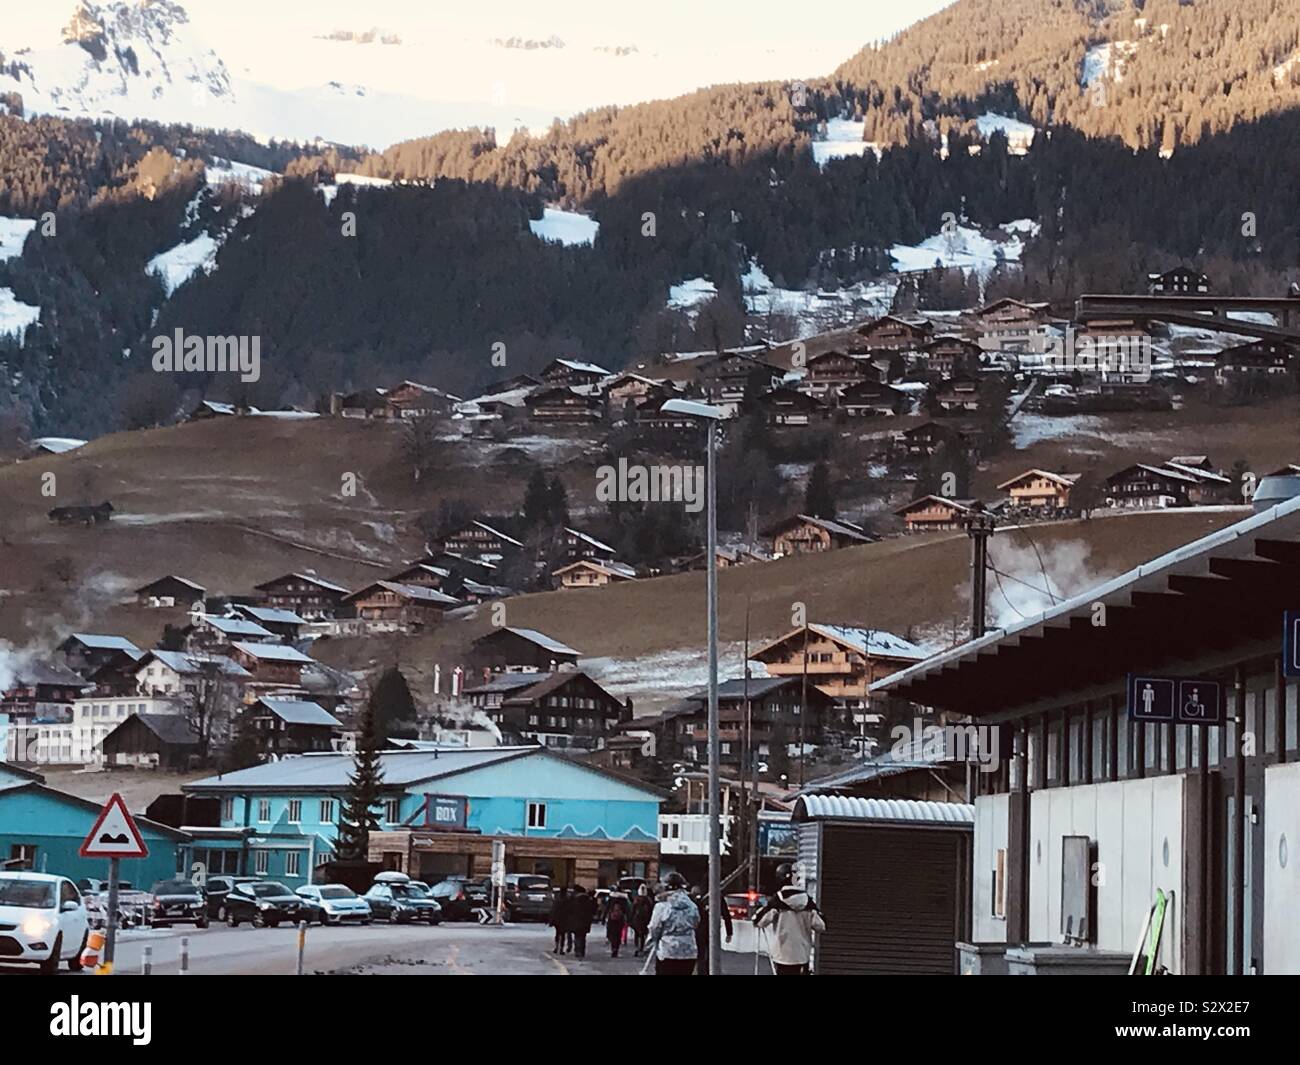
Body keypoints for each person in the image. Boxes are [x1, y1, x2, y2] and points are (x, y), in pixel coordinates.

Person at [753, 863, 826, 975]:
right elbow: (821, 926)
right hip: (802, 956)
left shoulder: (777, 900)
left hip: (783, 955)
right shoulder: (808, 902)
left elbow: (760, 922)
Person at [644, 872, 699, 975]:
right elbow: (696, 923)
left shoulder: (662, 906)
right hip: (689, 950)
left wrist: (651, 942)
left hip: (668, 950)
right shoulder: (692, 906)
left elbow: (654, 927)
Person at [691, 886, 734, 975]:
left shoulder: (696, 899)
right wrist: (729, 932)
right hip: (713, 929)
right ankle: (710, 971)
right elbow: (726, 915)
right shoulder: (718, 897)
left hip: (699, 929)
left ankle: (702, 972)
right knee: (712, 953)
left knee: (700, 954)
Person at [568, 884, 597, 958]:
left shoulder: (574, 899)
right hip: (585, 921)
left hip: (576, 920)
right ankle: (581, 950)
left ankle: (577, 950)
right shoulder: (588, 900)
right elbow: (593, 910)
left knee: (577, 935)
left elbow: (570, 910)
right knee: (583, 936)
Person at [605, 887, 630, 958]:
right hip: (620, 918)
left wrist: (604, 917)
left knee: (612, 933)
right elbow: (627, 909)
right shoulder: (624, 899)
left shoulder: (611, 898)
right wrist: (628, 918)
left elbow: (607, 908)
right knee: (618, 934)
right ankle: (616, 949)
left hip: (612, 918)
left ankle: (613, 947)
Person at [631, 885, 654, 956]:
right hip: (645, 920)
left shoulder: (636, 900)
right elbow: (651, 910)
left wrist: (631, 919)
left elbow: (633, 910)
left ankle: (638, 947)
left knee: (637, 934)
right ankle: (641, 947)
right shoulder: (648, 900)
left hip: (637, 919)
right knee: (643, 934)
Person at [549, 887, 571, 954]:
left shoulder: (557, 900)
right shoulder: (567, 901)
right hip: (564, 920)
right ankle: (561, 949)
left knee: (558, 934)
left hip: (557, 920)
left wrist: (551, 920)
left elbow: (553, 911)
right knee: (563, 934)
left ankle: (556, 947)